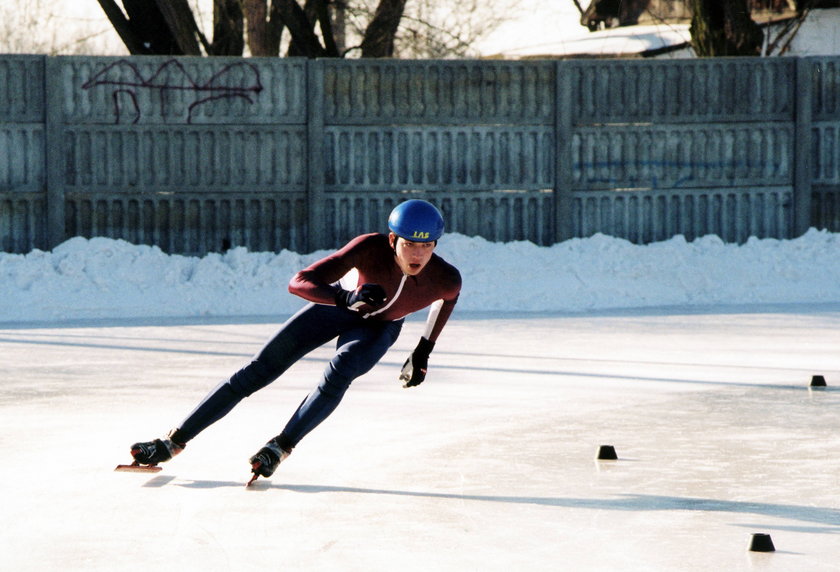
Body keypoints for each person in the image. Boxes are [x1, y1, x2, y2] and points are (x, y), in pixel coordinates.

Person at [129, 199, 462, 482]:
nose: (418, 254)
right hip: (339, 308)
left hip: (379, 328)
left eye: (427, 245)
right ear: (393, 240)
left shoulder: (445, 278)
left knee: (340, 371)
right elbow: (299, 282)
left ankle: (280, 447)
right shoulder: (369, 248)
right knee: (259, 370)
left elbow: (446, 302)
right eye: (409, 244)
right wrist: (344, 298)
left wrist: (423, 351)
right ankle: (172, 442)